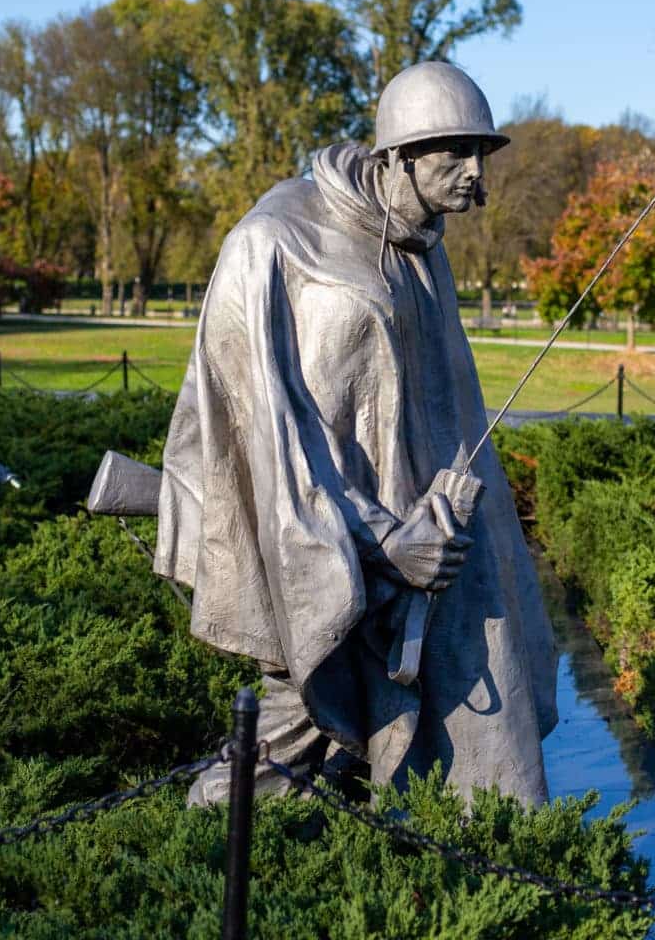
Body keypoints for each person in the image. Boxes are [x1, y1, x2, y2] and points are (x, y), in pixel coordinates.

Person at [156, 61, 557, 807]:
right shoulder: (279, 243)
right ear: (397, 158)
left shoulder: (418, 244)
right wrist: (379, 542)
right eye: (454, 157)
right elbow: (275, 437)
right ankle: (207, 865)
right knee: (294, 735)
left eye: (482, 155)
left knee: (391, 738)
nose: (477, 176)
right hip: (321, 550)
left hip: (423, 548)